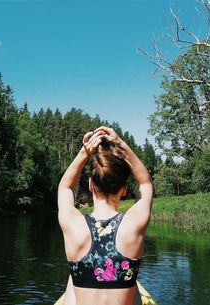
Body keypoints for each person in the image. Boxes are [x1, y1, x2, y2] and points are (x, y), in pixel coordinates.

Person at [57, 126, 153, 305]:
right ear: (123, 190)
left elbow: (65, 187)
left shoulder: (73, 225)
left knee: (72, 280)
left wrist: (84, 152)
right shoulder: (133, 225)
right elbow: (145, 183)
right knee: (134, 287)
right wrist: (121, 144)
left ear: (91, 185)